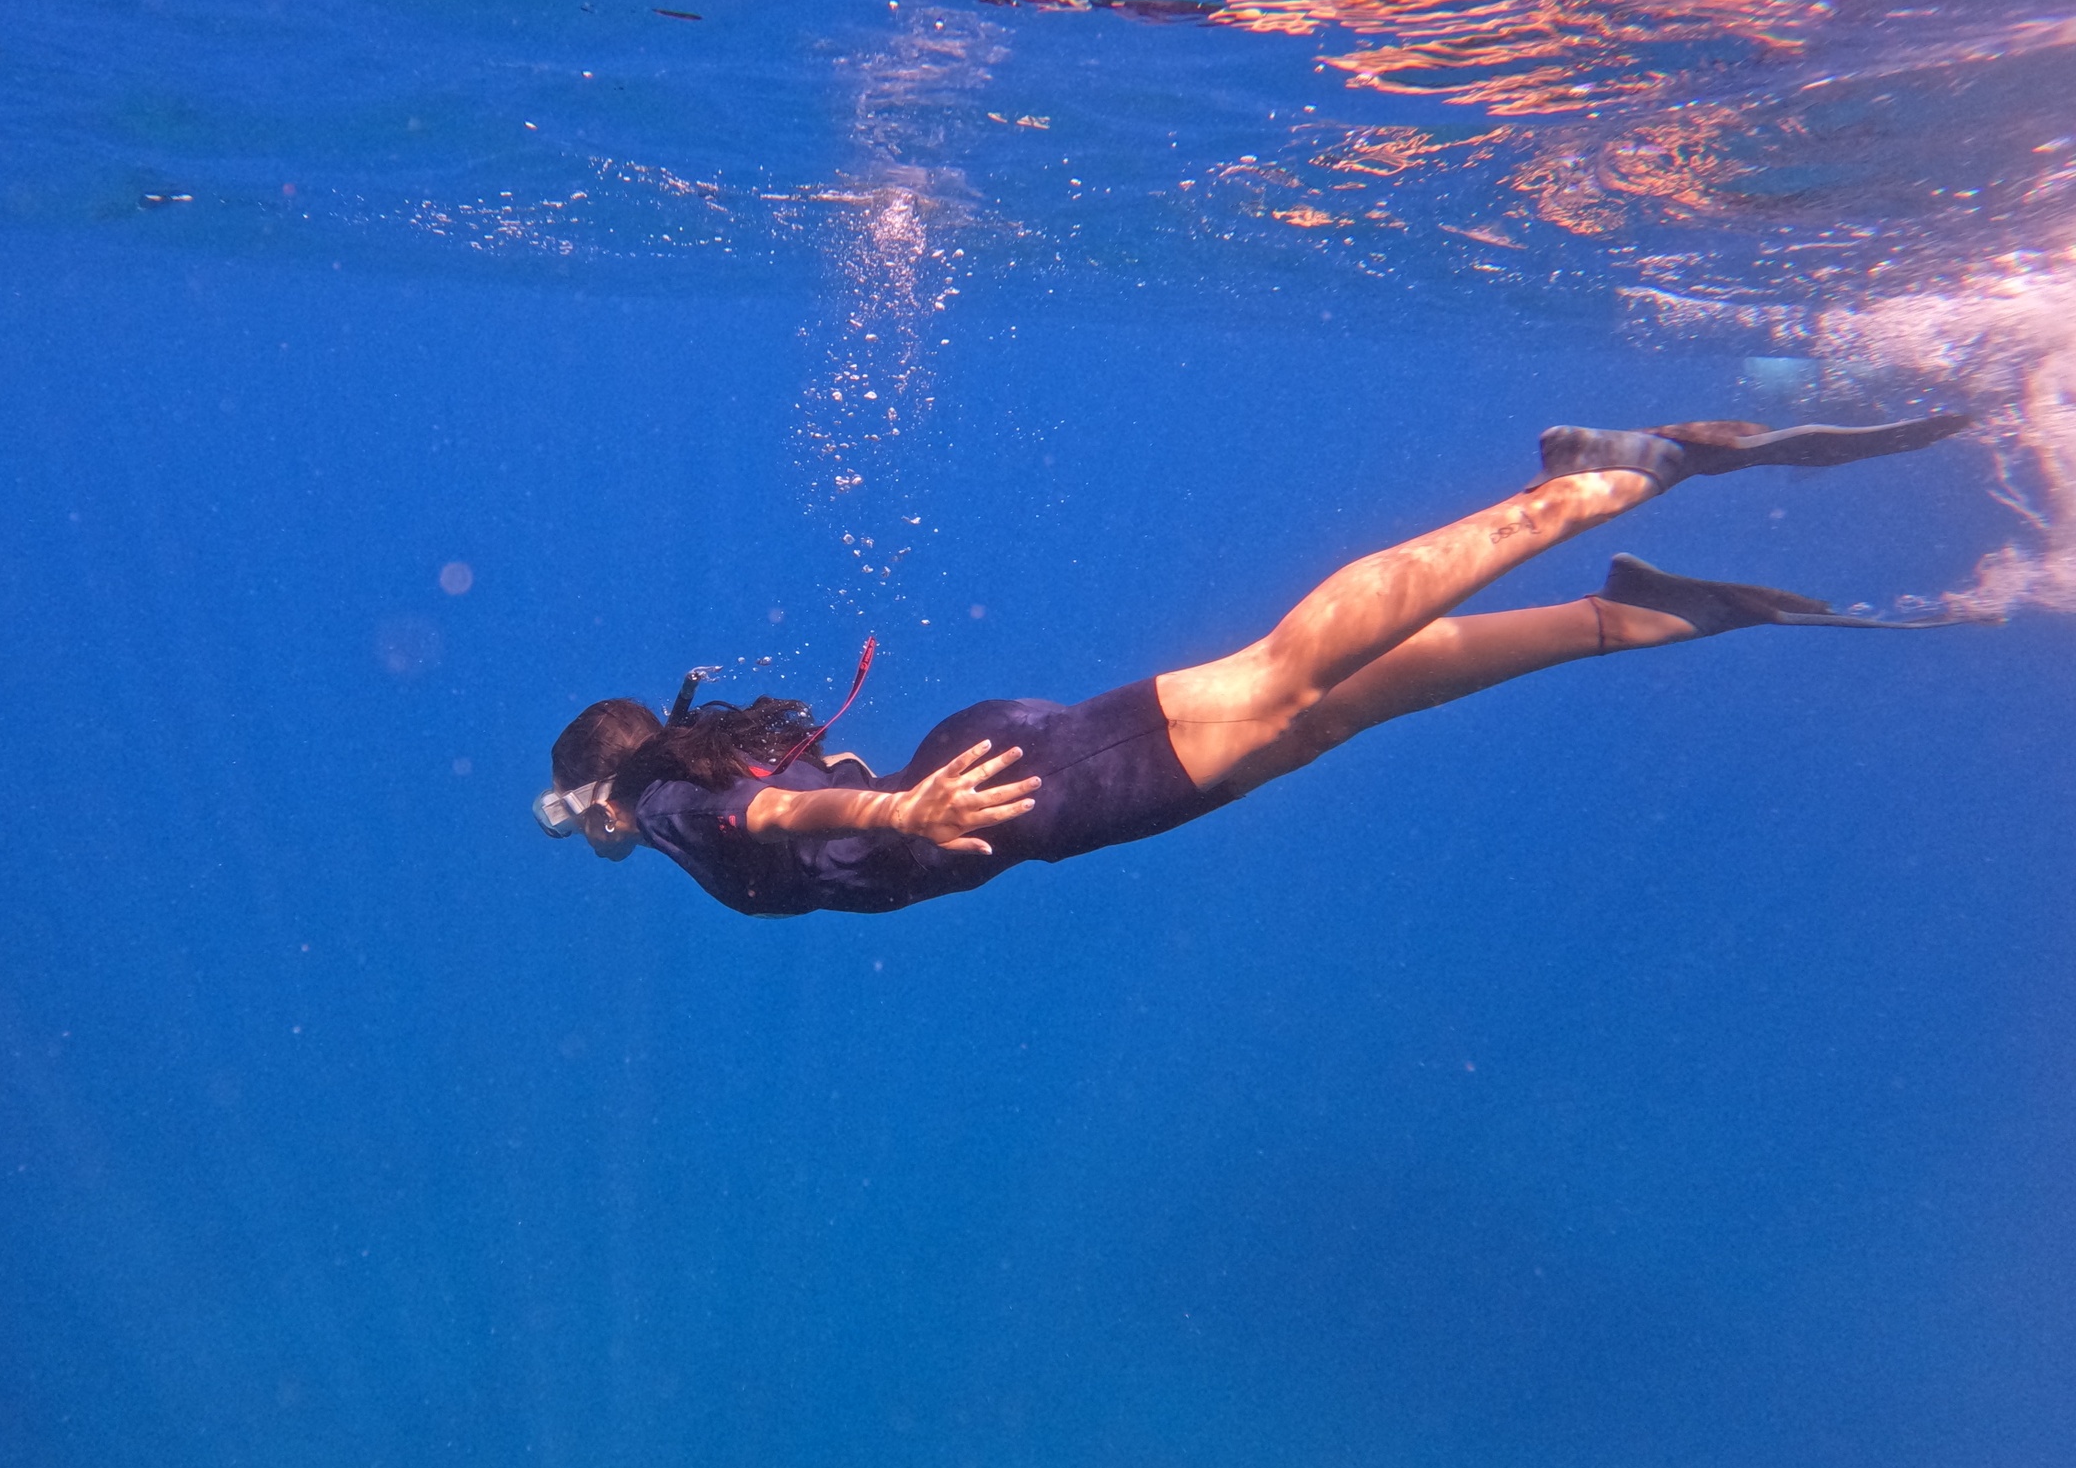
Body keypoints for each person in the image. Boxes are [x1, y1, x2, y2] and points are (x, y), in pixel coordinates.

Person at [534, 412, 1971, 917]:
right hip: (1004, 764)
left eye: (573, 817)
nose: (591, 835)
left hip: (1015, 799)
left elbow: (771, 818)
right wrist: (890, 801)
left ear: (605, 797)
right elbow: (782, 789)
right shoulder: (706, 760)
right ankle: (1634, 611)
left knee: (1290, 678)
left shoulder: (671, 813)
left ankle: (1595, 489)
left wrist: (895, 816)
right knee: (1313, 718)